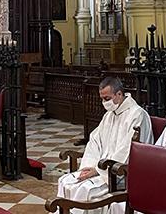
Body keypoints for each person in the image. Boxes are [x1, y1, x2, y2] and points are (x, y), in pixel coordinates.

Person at [57, 77, 153, 213]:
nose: (104, 103)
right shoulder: (109, 115)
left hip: (118, 175)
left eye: (107, 99)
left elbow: (128, 151)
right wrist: (89, 166)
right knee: (65, 181)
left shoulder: (136, 115)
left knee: (84, 190)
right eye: (102, 99)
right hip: (100, 168)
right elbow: (95, 141)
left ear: (119, 94)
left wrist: (97, 170)